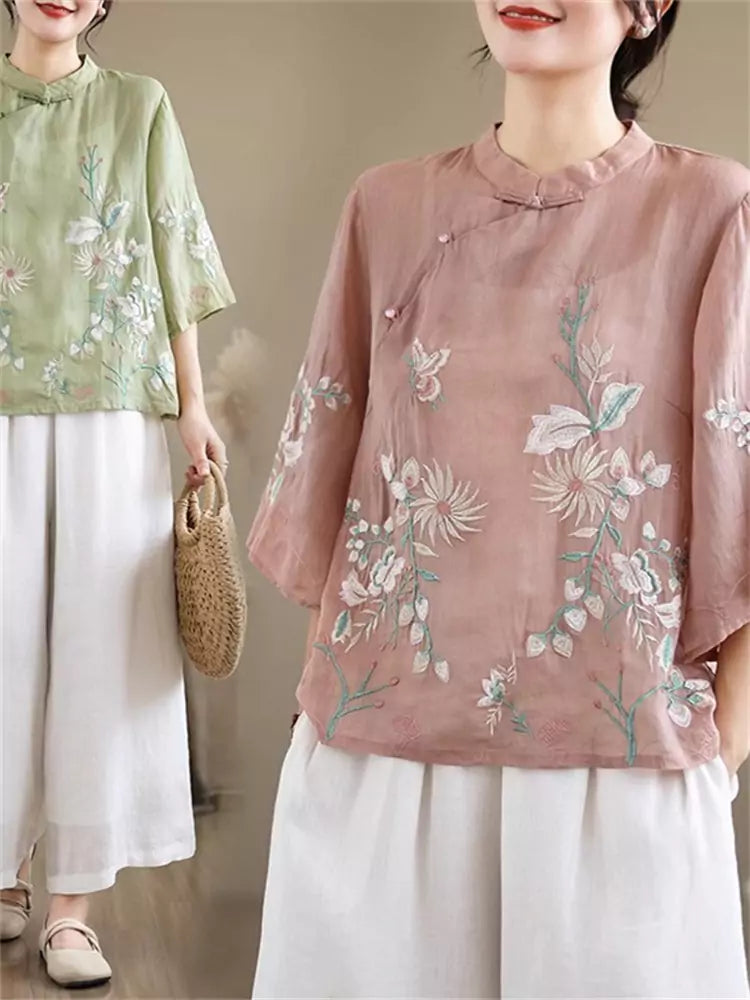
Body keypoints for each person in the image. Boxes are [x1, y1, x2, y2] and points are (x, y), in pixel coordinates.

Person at [246, 0, 750, 996]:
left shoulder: (713, 211)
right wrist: (331, 723)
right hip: (381, 770)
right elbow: (332, 496)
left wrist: (719, 756)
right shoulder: (387, 207)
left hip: (621, 773)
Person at [0, 0, 235, 987]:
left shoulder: (140, 105)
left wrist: (194, 405)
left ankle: (72, 907)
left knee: (99, 641)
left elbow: (176, 257)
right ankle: (5, 870)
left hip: (113, 405)